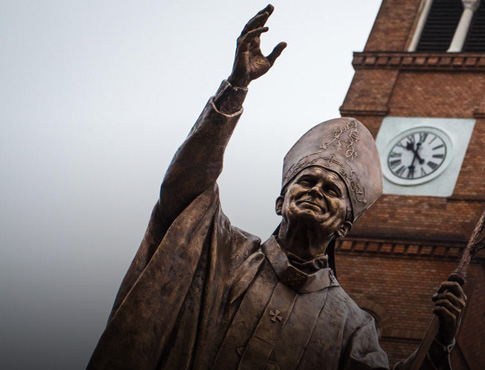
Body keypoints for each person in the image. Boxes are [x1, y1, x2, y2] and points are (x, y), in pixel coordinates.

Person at [87, 5, 465, 370]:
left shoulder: (353, 326)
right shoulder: (222, 252)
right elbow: (186, 185)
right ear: (280, 201)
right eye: (306, 181)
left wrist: (441, 341)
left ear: (345, 227)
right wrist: (237, 86)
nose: (316, 190)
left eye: (333, 191)